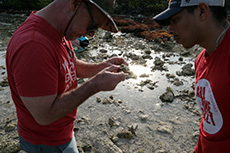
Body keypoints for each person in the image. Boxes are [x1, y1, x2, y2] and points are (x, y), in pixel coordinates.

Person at [6, 0, 128, 152]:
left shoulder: (60, 30)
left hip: (62, 135)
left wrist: (102, 67)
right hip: (46, 144)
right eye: (93, 25)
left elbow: (72, 66)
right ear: (75, 3)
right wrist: (94, 85)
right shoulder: (33, 45)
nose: (91, 34)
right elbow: (44, 116)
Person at [153, 0, 230, 152]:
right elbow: (210, 119)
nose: (170, 29)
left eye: (175, 20)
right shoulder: (200, 60)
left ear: (202, 11)